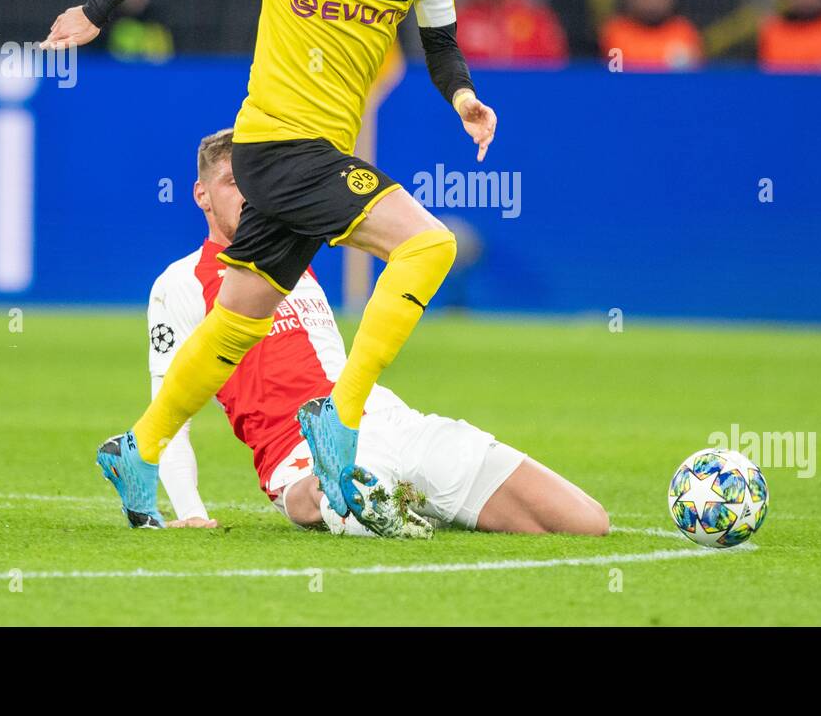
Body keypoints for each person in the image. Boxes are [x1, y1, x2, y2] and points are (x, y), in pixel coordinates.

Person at [41, 0, 498, 534]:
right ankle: (339, 418)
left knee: (234, 324)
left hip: (309, 159)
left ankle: (139, 446)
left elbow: (440, 45)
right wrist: (98, 10)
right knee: (428, 243)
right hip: (280, 147)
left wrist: (464, 99)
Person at [152, 130, 609, 537]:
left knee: (586, 522)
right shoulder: (182, 282)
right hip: (300, 450)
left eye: (255, 183)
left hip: (389, 420)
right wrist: (190, 510)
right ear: (202, 195)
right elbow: (169, 411)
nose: (248, 196)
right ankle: (346, 497)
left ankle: (397, 500)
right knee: (344, 496)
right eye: (233, 183)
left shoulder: (293, 260)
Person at [599, 0, 703, 70]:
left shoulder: (684, 31)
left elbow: (693, 71)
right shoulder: (615, 31)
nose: (650, 0)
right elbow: (616, 70)